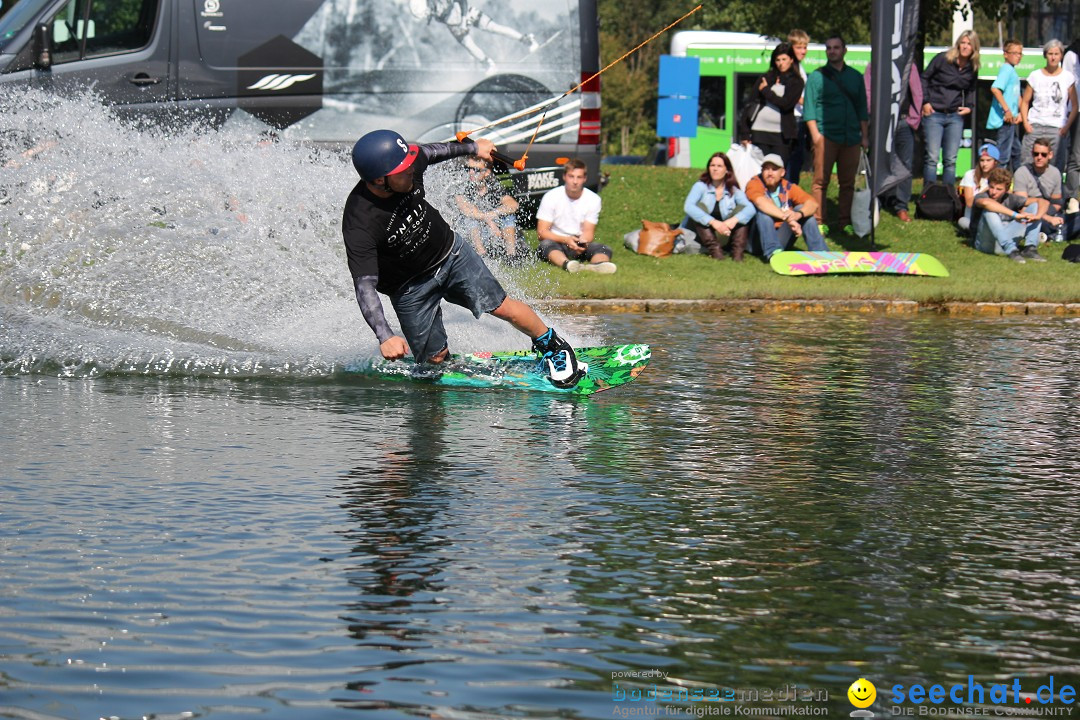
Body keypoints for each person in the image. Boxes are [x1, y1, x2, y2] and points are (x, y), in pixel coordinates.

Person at [342, 129, 584, 387]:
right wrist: (385, 336)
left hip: (451, 254)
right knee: (434, 359)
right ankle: (441, 366)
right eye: (403, 169)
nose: (412, 170)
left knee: (503, 306)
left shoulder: (408, 168)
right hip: (409, 288)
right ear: (379, 181)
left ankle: (555, 348)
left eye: (410, 164)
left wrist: (473, 148)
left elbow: (431, 152)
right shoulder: (360, 223)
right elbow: (364, 285)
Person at [804, 33, 869, 236]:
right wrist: (816, 136)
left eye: (836, 47)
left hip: (851, 137)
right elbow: (809, 109)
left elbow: (862, 109)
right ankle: (819, 221)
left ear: (844, 50)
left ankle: (845, 222)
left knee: (848, 182)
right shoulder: (816, 76)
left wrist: (864, 136)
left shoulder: (855, 77)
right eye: (829, 48)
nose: (832, 51)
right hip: (826, 135)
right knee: (820, 181)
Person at [408, 0, 538, 74]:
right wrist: (458, 26)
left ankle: (526, 40)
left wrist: (464, 20)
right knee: (468, 45)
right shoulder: (430, 12)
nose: (426, 15)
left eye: (425, 12)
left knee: (493, 27)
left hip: (467, 14)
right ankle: (488, 64)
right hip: (454, 26)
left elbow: (462, 1)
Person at [863, 61, 923, 222]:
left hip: (904, 122)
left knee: (905, 165)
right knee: (877, 163)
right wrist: (873, 114)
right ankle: (875, 202)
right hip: (881, 122)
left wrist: (914, 118)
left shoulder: (908, 64)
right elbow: (868, 91)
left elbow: (917, 92)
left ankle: (901, 206)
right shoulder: (875, 63)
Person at [920, 30, 979, 188]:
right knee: (932, 158)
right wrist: (925, 102)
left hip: (954, 116)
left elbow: (972, 89)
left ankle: (947, 197)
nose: (965, 46)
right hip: (934, 114)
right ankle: (928, 195)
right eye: (963, 42)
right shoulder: (942, 59)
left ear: (974, 48)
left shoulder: (972, 67)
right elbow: (924, 78)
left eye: (969, 44)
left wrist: (970, 107)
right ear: (958, 43)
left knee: (950, 160)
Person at [535, 158, 615, 274]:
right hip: (557, 241)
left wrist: (582, 242)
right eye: (571, 176)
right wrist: (566, 240)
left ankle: (598, 266)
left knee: (604, 248)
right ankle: (567, 264)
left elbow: (588, 231)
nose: (575, 181)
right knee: (545, 245)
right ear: (564, 177)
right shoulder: (551, 196)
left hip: (577, 241)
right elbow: (542, 232)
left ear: (584, 179)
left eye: (579, 177)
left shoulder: (593, 199)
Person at [745, 153, 828, 259]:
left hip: (780, 236)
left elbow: (813, 203)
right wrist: (788, 218)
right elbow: (760, 202)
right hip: (756, 240)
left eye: (774, 169)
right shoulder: (754, 183)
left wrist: (798, 215)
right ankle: (773, 253)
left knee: (803, 211)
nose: (769, 173)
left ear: (782, 172)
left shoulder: (788, 187)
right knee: (762, 213)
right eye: (766, 169)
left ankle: (821, 253)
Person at [679, 151, 755, 261]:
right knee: (699, 207)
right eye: (712, 165)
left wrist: (732, 221)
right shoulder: (700, 186)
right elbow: (688, 207)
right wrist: (713, 222)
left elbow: (751, 208)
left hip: (724, 233)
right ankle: (715, 251)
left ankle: (737, 254)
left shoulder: (733, 190)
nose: (715, 169)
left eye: (719, 166)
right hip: (700, 235)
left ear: (727, 170)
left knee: (742, 211)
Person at [740, 43, 804, 165]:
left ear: (791, 60)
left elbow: (786, 104)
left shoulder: (797, 82)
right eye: (777, 60)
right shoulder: (766, 78)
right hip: (759, 132)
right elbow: (750, 104)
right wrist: (744, 133)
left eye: (784, 59)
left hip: (782, 136)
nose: (781, 63)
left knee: (776, 171)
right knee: (759, 171)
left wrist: (766, 91)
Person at [452, 156, 525, 261]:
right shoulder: (462, 188)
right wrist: (489, 220)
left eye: (476, 170)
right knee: (471, 220)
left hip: (495, 231)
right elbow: (467, 211)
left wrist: (493, 214)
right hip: (473, 233)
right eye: (468, 169)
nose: (471, 172)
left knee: (508, 216)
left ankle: (511, 256)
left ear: (487, 172)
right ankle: (481, 255)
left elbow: (513, 205)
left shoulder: (493, 186)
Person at [1019, 39, 1078, 166]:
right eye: (1050, 54)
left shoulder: (1068, 77)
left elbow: (1074, 106)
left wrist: (1066, 127)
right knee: (1027, 163)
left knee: (1056, 165)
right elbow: (1025, 102)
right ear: (1045, 55)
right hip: (1035, 125)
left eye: (1056, 54)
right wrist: (1026, 123)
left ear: (1061, 56)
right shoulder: (1035, 76)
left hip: (1057, 128)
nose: (1053, 57)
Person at [971, 166, 1047, 263]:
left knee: (1035, 206)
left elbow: (1042, 201)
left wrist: (1037, 217)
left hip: (1004, 237)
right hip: (985, 243)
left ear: (1006, 189)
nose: (993, 192)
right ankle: (1011, 250)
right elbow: (986, 203)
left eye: (999, 189)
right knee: (989, 211)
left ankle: (1030, 248)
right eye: (991, 187)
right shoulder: (982, 196)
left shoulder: (1011, 198)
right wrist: (1015, 215)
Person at [1011, 136, 1079, 242]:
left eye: (1043, 154)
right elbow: (1021, 206)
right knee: (1043, 223)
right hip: (1030, 216)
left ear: (1050, 155)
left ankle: (1054, 234)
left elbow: (1057, 203)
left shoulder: (1055, 173)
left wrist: (1051, 215)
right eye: (1036, 154)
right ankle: (1059, 234)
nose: (1039, 157)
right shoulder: (1021, 172)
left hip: (1050, 213)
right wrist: (1047, 218)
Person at [988, 40, 1024, 171]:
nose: (1018, 56)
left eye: (1020, 54)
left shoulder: (1013, 72)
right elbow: (995, 89)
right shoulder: (1006, 69)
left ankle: (1019, 183)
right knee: (1003, 156)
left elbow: (1017, 97)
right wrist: (1007, 110)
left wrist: (1023, 113)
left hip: (1012, 120)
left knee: (1017, 153)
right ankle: (998, 184)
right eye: (1014, 53)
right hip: (1005, 120)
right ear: (1005, 54)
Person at [785, 29, 811, 183]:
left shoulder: (799, 67)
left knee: (798, 160)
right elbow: (792, 95)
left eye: (805, 47)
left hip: (799, 117)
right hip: (794, 118)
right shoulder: (791, 67)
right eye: (799, 47)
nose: (803, 51)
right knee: (793, 160)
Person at [958, 143, 1000, 232]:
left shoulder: (1000, 177)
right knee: (962, 222)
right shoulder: (970, 174)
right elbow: (969, 203)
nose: (984, 164)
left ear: (995, 162)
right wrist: (985, 190)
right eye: (982, 160)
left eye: (988, 160)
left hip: (993, 215)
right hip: (972, 218)